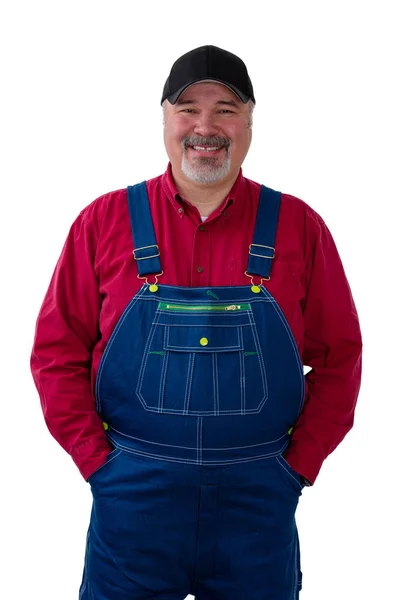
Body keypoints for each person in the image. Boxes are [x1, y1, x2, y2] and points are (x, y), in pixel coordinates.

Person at [30, 45, 362, 600]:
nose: (205, 126)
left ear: (250, 121)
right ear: (164, 118)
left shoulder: (300, 227)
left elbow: (340, 358)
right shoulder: (102, 222)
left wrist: (296, 468)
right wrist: (98, 464)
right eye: (188, 108)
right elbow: (55, 353)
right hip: (134, 497)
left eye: (226, 109)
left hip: (257, 503)